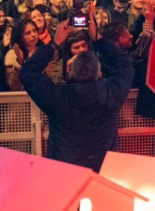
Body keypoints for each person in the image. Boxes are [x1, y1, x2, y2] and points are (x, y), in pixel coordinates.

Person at [20, 36, 133, 172]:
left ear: (70, 72)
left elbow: (28, 72)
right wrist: (98, 38)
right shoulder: (111, 93)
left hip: (65, 172)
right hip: (104, 170)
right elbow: (124, 64)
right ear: (99, 73)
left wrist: (54, 44)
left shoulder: (57, 97)